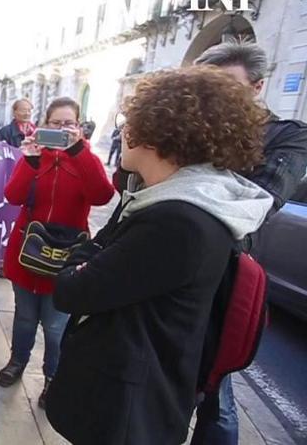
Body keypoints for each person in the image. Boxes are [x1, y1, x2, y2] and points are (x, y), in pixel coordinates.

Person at [45, 67, 273, 445]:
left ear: (159, 132)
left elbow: (71, 289)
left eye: (128, 121)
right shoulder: (169, 201)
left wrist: (83, 253)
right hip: (139, 393)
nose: (123, 132)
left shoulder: (177, 220)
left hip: (128, 410)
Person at [190, 41, 307, 444]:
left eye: (226, 86)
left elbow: (258, 202)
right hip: (173, 270)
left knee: (215, 395)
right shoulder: (191, 128)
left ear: (256, 88)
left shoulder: (287, 136)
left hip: (225, 280)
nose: (214, 97)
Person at [0, 97, 114, 408]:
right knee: (23, 318)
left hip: (66, 258)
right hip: (27, 253)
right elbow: (12, 196)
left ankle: (53, 377)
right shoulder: (35, 156)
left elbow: (102, 195)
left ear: (79, 126)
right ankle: (17, 362)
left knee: (55, 325)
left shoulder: (86, 157)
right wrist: (31, 161)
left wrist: (78, 152)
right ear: (43, 125)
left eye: (68, 124)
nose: (62, 130)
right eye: (55, 124)